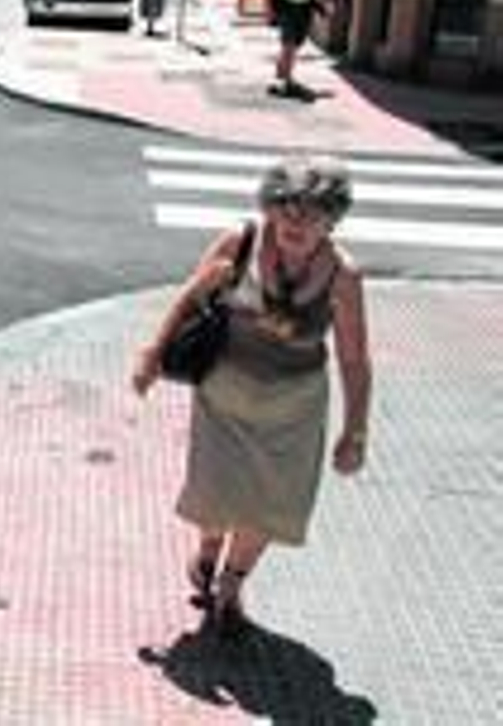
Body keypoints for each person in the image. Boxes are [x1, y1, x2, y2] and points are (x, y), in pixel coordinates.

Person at [132, 154, 372, 636]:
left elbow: (353, 358)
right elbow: (189, 299)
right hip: (224, 396)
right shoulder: (239, 242)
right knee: (215, 494)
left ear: (333, 220)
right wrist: (152, 354)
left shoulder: (344, 277)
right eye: (286, 208)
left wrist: (355, 430)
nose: (295, 222)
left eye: (311, 213)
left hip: (294, 408)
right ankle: (206, 553)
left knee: (271, 502)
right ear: (270, 207)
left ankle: (231, 584)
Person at [266, 0, 322, 98]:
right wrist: (269, 8)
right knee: (289, 44)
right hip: (286, 6)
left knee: (296, 43)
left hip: (304, 8)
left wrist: (321, 7)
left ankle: (282, 68)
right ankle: (287, 80)